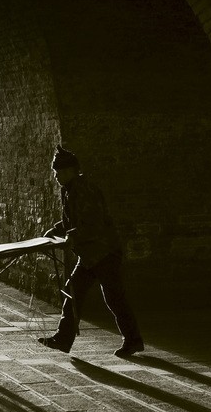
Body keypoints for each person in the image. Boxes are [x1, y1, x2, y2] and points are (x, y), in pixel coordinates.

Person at [38, 144, 144, 358]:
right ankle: (63, 338)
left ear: (70, 171)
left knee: (114, 297)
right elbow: (71, 220)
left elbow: (93, 223)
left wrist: (72, 236)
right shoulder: (70, 190)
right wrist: (57, 230)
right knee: (74, 292)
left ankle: (133, 340)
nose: (56, 176)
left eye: (59, 172)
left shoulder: (85, 190)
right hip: (89, 255)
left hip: (104, 252)